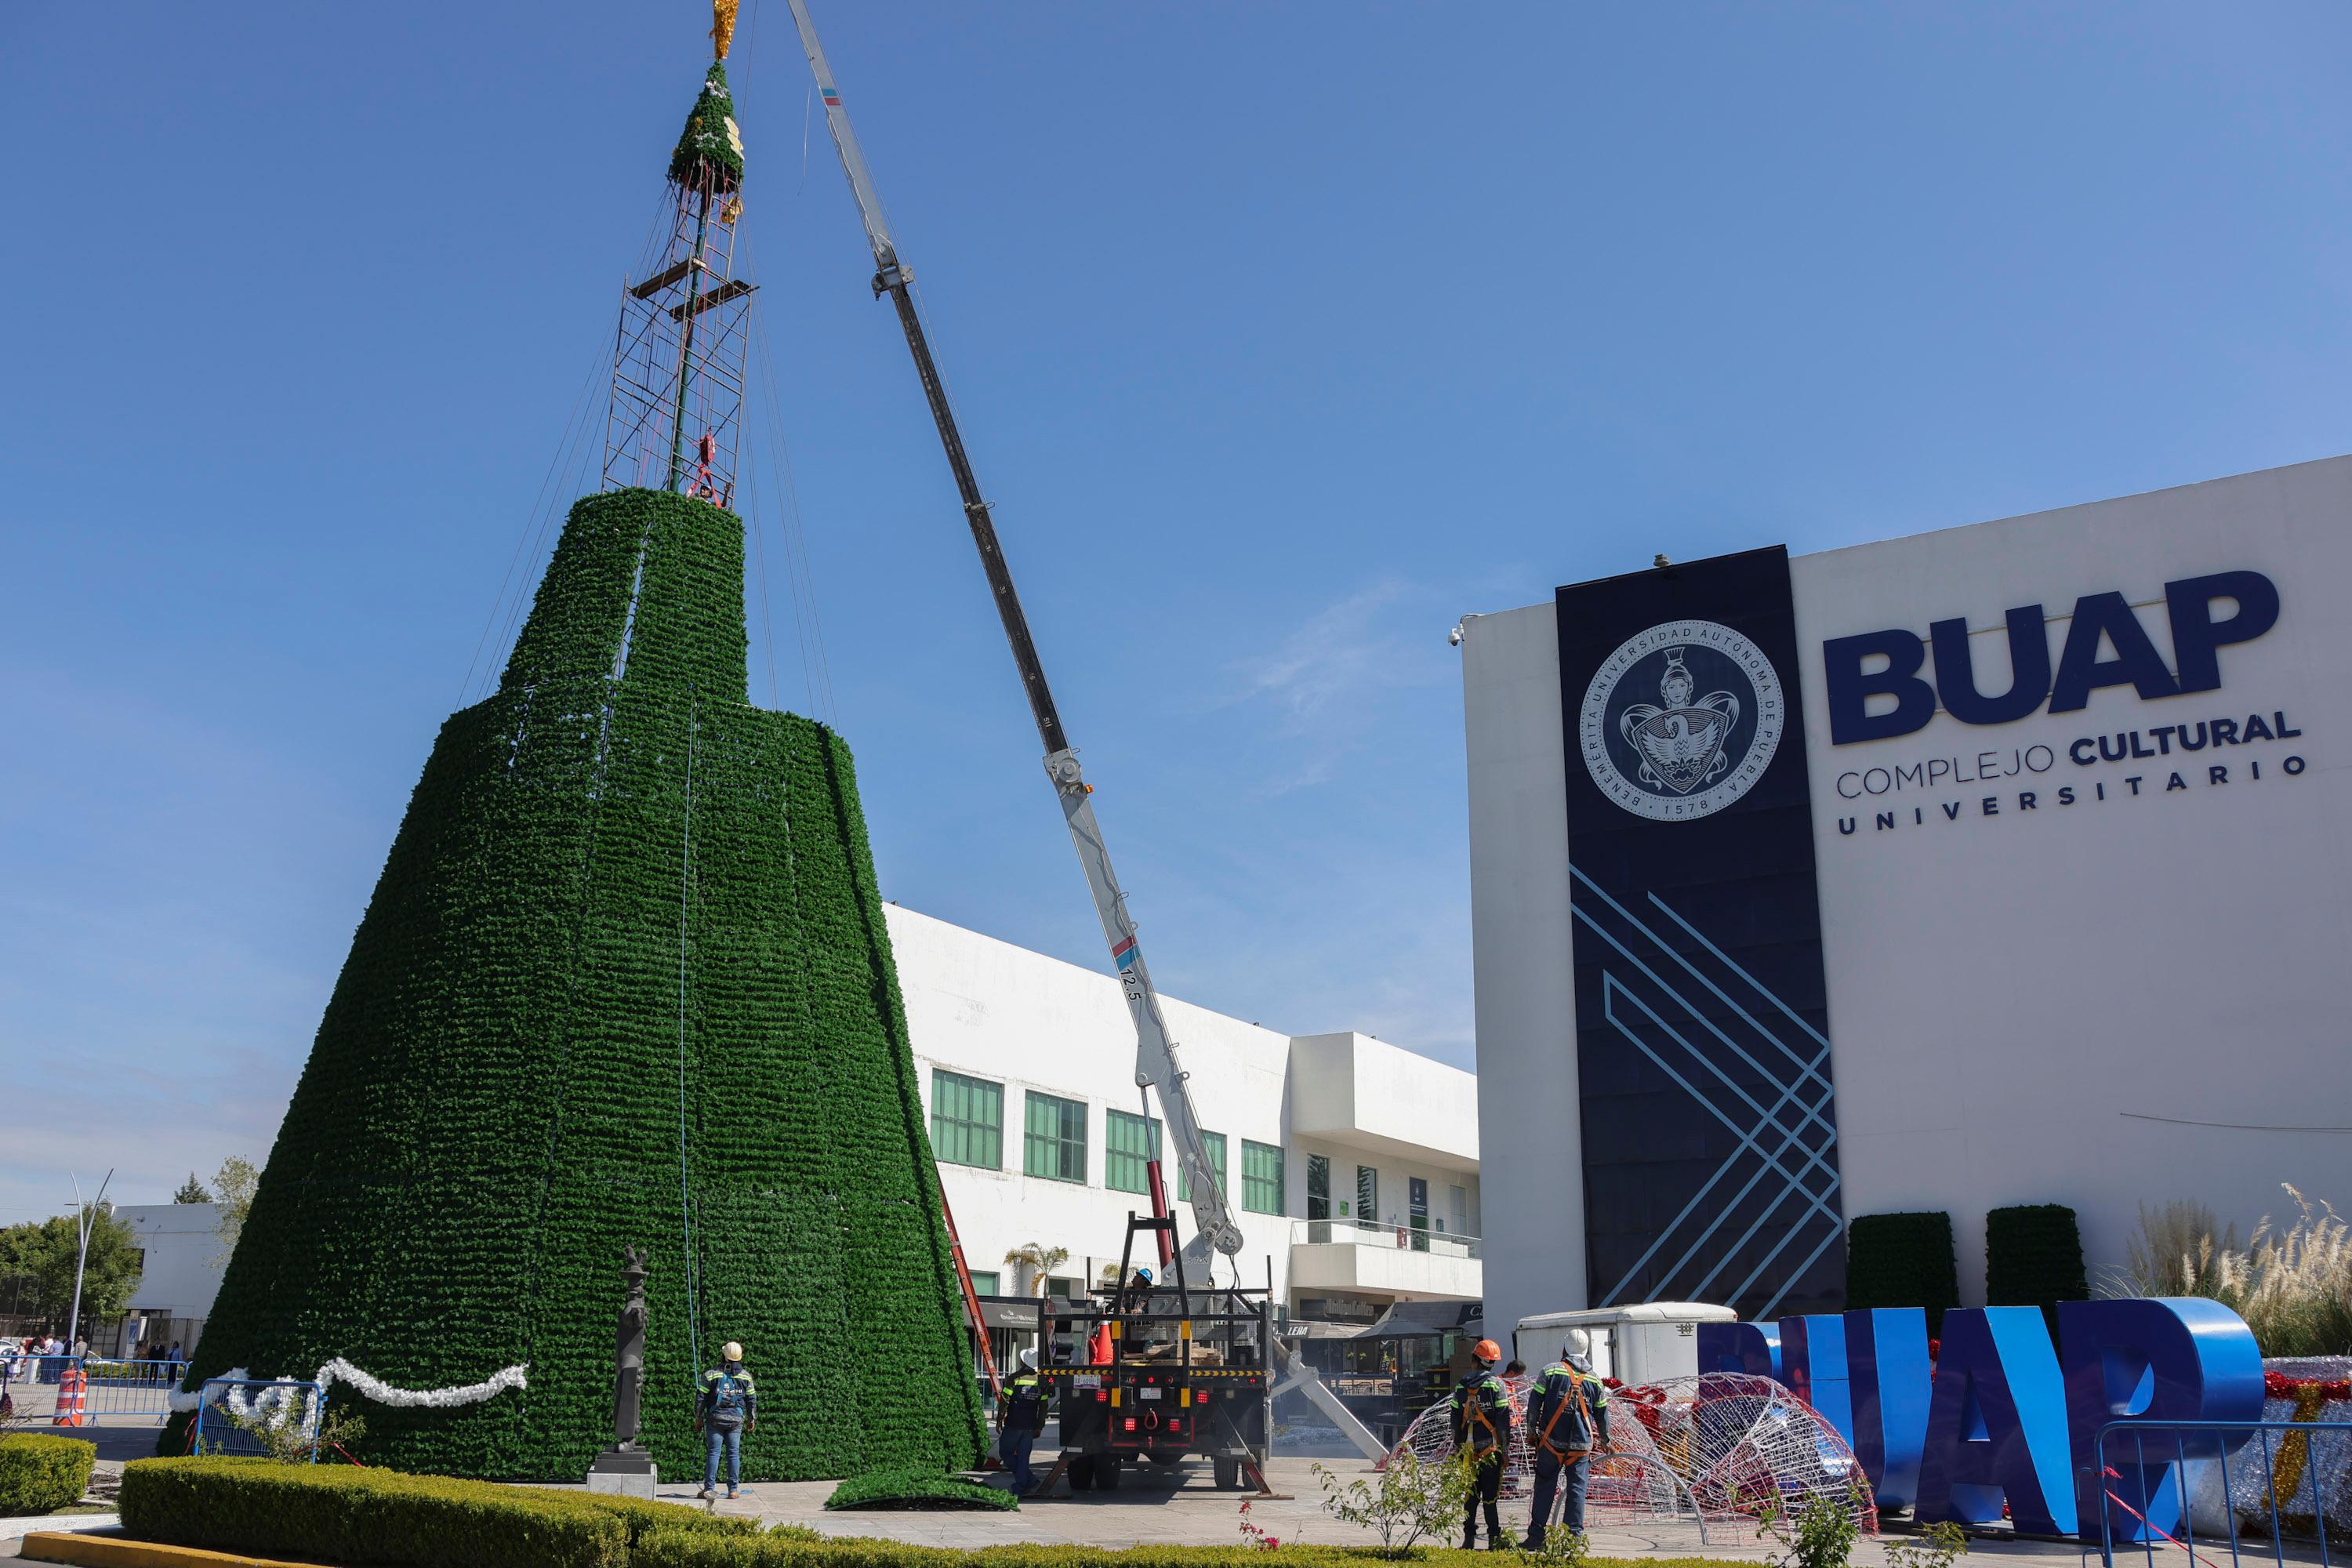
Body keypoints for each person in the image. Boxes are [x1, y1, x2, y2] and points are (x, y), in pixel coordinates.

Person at [1523, 1330, 1612, 1551]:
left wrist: (1531, 1431)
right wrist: (1605, 1440)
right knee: (1577, 1491)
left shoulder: (1550, 1371)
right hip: (1580, 1447)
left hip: (1551, 1443)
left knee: (1545, 1486)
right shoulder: (1595, 1380)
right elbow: (1602, 1414)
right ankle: (1572, 1540)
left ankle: (1536, 1537)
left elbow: (1534, 1404)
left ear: (1564, 1349)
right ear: (1586, 1351)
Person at [1449, 1338, 1514, 1550]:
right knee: (1490, 1498)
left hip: (1468, 1452)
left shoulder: (1461, 1386)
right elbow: (1503, 1422)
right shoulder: (1496, 1385)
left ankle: (1468, 1540)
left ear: (1474, 1360)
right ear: (1492, 1363)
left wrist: (1458, 1448)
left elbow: (1454, 1420)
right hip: (1490, 1452)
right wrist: (1505, 1451)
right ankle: (1494, 1540)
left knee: (1470, 1496)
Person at [693, 1341, 757, 1501]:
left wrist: (698, 1418)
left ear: (724, 1356)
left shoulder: (710, 1375)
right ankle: (733, 1491)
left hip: (715, 1419)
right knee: (733, 1454)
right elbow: (751, 1399)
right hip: (736, 1420)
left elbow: (700, 1398)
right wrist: (752, 1419)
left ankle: (709, 1489)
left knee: (714, 1453)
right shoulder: (745, 1376)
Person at [995, 1346, 1051, 1494]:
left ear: (1024, 1362)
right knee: (1024, 1457)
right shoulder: (1042, 1381)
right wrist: (1039, 1426)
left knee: (1005, 1452)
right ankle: (1024, 1484)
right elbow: (1043, 1406)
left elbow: (1005, 1400)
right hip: (1030, 1425)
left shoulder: (1014, 1378)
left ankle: (1026, 1482)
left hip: (1014, 1423)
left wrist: (999, 1419)